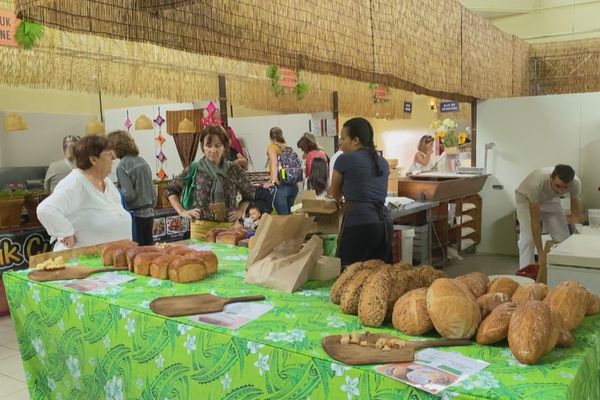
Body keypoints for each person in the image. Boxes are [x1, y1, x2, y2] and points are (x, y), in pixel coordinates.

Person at [37, 135, 132, 251]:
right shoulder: (75, 183)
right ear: (93, 159)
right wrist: (67, 233)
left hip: (112, 262)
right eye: (108, 154)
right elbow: (46, 209)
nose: (114, 157)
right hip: (83, 262)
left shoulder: (108, 184)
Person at [166, 125, 255, 239]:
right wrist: (182, 211)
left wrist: (240, 211)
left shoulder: (234, 169)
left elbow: (250, 194)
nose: (213, 150)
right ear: (203, 147)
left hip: (227, 230)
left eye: (217, 146)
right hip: (200, 230)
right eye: (208, 146)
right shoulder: (195, 168)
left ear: (224, 147)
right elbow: (171, 189)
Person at [328, 117, 392, 267]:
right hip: (384, 225)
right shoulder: (383, 162)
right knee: (376, 276)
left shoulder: (344, 159)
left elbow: (333, 192)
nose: (340, 143)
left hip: (359, 225)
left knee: (348, 275)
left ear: (355, 140)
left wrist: (341, 201)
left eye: (343, 138)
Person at [515, 164, 581, 269]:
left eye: (565, 187)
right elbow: (535, 223)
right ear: (551, 177)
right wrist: (541, 254)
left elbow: (575, 215)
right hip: (526, 198)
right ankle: (527, 273)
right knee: (528, 239)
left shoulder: (576, 183)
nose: (561, 191)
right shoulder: (534, 184)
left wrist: (578, 240)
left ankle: (563, 272)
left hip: (551, 198)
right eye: (558, 186)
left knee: (563, 239)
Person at [107, 130, 157, 245]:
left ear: (116, 147)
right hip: (150, 214)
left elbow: (128, 195)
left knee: (137, 252)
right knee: (149, 249)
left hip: (136, 216)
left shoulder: (122, 166)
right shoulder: (142, 161)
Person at [267, 127, 300, 215]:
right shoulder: (287, 148)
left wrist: (273, 181)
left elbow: (274, 164)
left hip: (280, 187)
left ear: (270, 137)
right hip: (293, 187)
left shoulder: (272, 147)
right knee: (290, 217)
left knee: (283, 219)